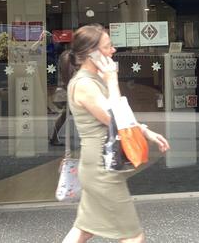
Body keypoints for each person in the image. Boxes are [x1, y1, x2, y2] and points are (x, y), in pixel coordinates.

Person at [61, 24, 170, 243]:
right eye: (108, 46)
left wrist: (146, 132)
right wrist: (111, 80)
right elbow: (116, 119)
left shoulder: (91, 80)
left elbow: (120, 117)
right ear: (92, 53)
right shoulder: (84, 84)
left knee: (84, 229)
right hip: (102, 168)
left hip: (99, 163)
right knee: (133, 236)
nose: (113, 50)